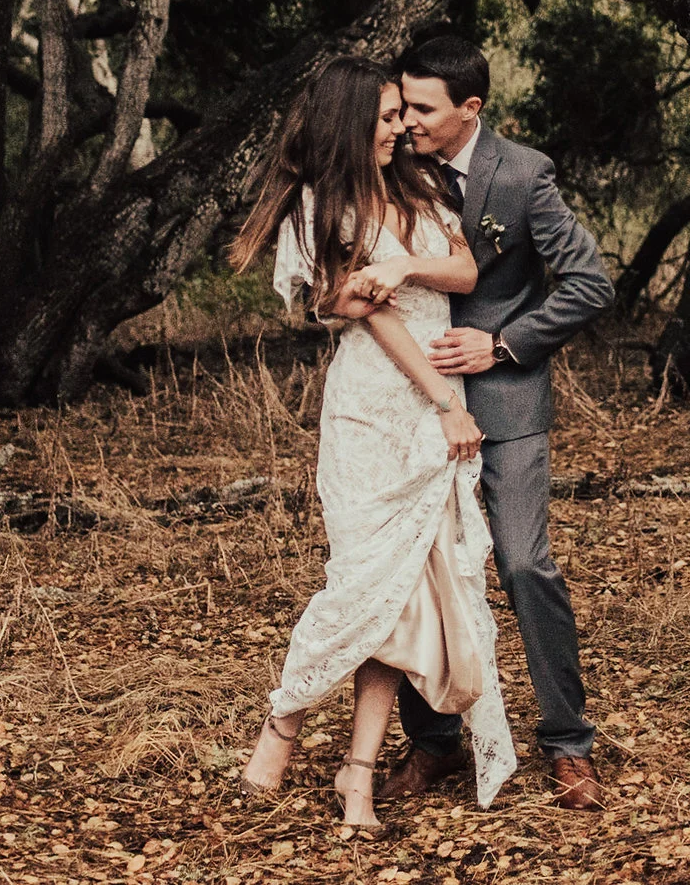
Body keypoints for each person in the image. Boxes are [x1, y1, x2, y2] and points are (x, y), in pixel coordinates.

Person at [227, 56, 519, 828]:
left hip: (435, 408)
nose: (402, 127)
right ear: (352, 120)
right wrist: (438, 397)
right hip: (375, 408)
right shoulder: (321, 203)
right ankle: (282, 718)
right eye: (388, 116)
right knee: (361, 582)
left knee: (403, 598)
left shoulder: (418, 184)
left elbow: (460, 270)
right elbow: (369, 317)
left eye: (402, 114)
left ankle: (356, 774)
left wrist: (399, 263)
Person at [383, 34, 616, 812]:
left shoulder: (522, 174)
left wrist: (504, 342)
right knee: (420, 571)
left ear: (470, 108)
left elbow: (589, 283)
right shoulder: (391, 163)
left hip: (506, 402)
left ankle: (568, 743)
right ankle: (434, 742)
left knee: (522, 564)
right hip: (410, 403)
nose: (407, 119)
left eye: (423, 107)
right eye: (403, 102)